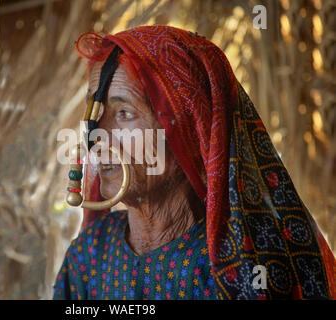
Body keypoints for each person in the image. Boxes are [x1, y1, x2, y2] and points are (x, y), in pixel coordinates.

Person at [53, 25, 335, 300]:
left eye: (125, 113)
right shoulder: (89, 256)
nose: (97, 135)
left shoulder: (250, 268)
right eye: (95, 113)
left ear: (192, 133)